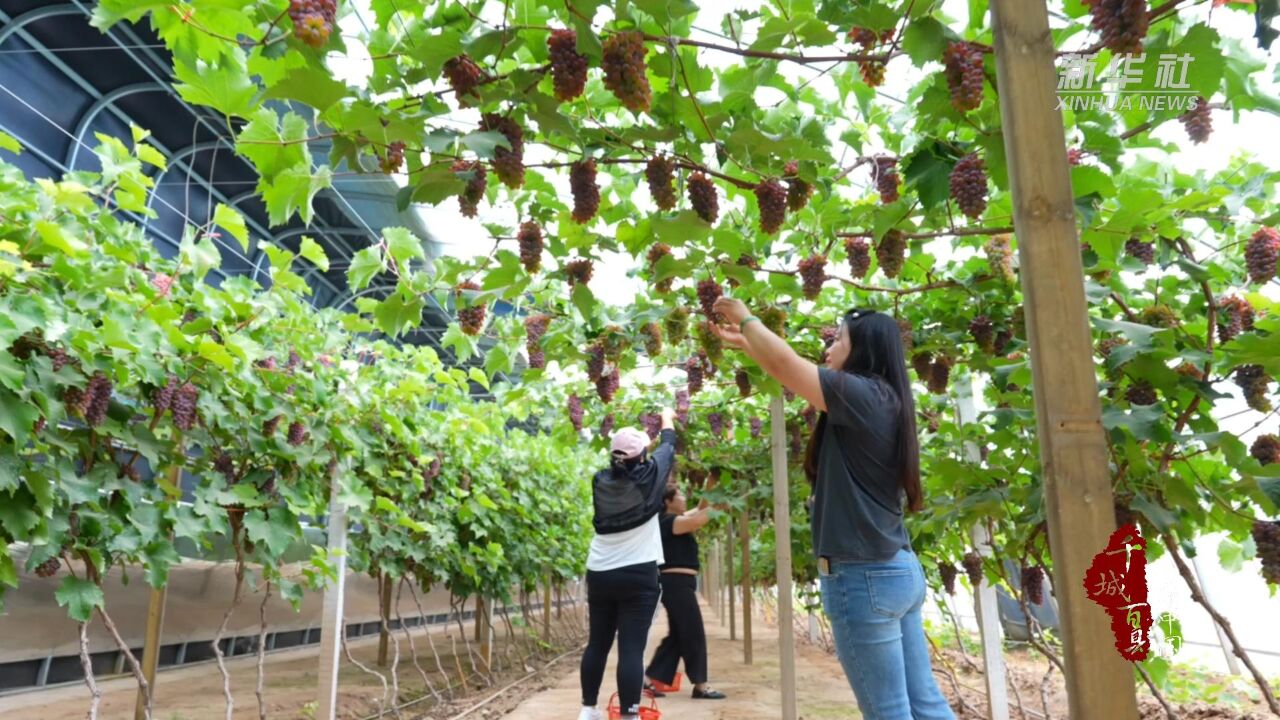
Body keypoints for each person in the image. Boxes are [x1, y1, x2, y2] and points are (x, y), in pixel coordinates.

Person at [710, 297, 956, 720]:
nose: (828, 348)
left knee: (889, 712)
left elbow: (788, 367)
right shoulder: (885, 398)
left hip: (864, 578)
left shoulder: (863, 395)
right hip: (896, 570)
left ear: (861, 348)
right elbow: (786, 368)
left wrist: (746, 317)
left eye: (837, 339)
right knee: (924, 705)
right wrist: (748, 342)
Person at [578, 408, 678, 720]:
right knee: (631, 649)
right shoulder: (650, 479)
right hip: (638, 574)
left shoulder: (600, 482)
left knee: (598, 643)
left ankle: (588, 709)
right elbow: (669, 445)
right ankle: (629, 715)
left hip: (601, 572)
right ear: (641, 457)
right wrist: (667, 417)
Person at [643, 473, 727, 701]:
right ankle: (701, 685)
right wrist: (725, 501)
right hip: (675, 585)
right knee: (694, 633)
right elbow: (699, 519)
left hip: (680, 585)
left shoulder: (674, 519)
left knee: (679, 636)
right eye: (678, 495)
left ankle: (649, 680)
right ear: (668, 502)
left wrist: (710, 484)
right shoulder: (668, 522)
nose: (683, 498)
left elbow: (699, 510)